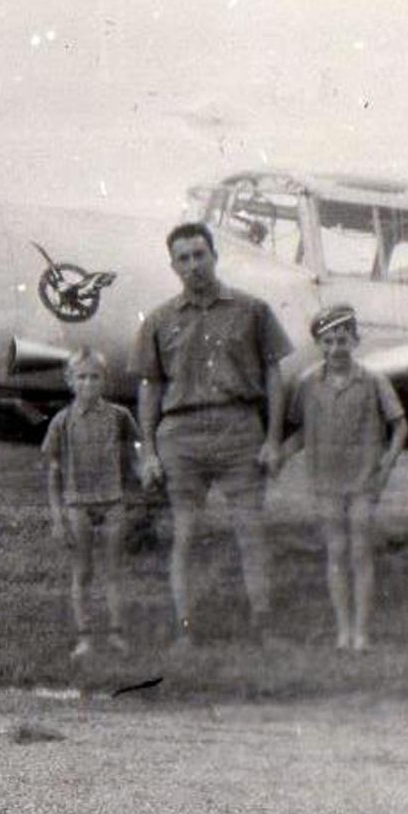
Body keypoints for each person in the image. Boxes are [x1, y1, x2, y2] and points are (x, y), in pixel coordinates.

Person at [133, 221, 293, 648]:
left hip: (239, 428)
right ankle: (185, 631)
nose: (193, 265)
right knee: (184, 534)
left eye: (199, 255)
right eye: (183, 258)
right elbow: (149, 387)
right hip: (180, 435)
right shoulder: (159, 321)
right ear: (173, 266)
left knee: (250, 532)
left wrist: (273, 439)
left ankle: (263, 628)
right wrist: (148, 450)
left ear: (214, 256)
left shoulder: (252, 310)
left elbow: (274, 377)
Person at [282, 304, 408, 651]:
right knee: (336, 551)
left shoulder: (373, 380)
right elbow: (302, 430)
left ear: (355, 341)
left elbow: (400, 425)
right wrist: (278, 455)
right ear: (319, 345)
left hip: (363, 479)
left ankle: (362, 633)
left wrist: (387, 464)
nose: (335, 348)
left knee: (360, 551)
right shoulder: (308, 382)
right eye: (327, 342)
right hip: (325, 480)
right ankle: (343, 630)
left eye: (342, 340)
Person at [43, 347, 141, 659]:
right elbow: (54, 473)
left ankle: (116, 634)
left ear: (105, 381)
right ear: (70, 380)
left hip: (112, 501)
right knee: (82, 571)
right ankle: (84, 636)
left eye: (95, 378)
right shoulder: (62, 421)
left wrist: (138, 491)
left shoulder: (119, 417)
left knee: (113, 571)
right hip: (77, 504)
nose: (88, 384)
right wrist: (58, 518)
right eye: (81, 378)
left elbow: (133, 457)